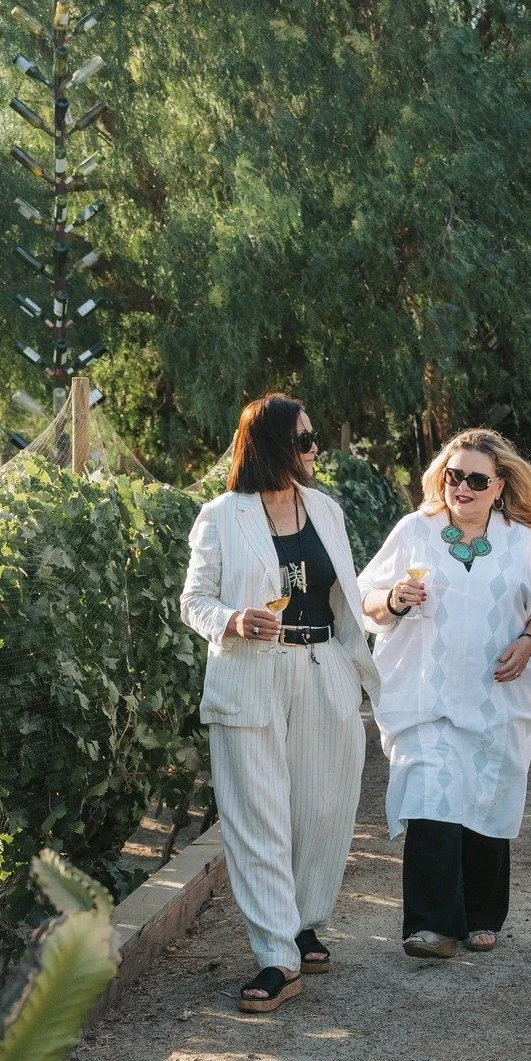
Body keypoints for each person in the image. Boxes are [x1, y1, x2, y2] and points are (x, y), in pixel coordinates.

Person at [181, 395, 378, 1012]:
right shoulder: (222, 516)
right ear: (271, 445)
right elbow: (193, 600)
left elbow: (343, 596)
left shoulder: (326, 510)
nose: (315, 448)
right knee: (257, 814)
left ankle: (304, 922)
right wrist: (232, 620)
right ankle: (276, 955)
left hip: (323, 666)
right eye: (304, 439)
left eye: (313, 437)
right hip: (250, 673)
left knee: (323, 808)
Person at [357, 429, 531, 959]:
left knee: (485, 794)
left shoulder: (521, 542)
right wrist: (393, 599)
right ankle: (430, 926)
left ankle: (482, 914)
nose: (462, 487)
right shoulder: (415, 531)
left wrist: (528, 642)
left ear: (499, 487)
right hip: (427, 694)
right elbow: (364, 596)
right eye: (454, 475)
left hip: (496, 696)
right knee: (432, 793)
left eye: (476, 479)